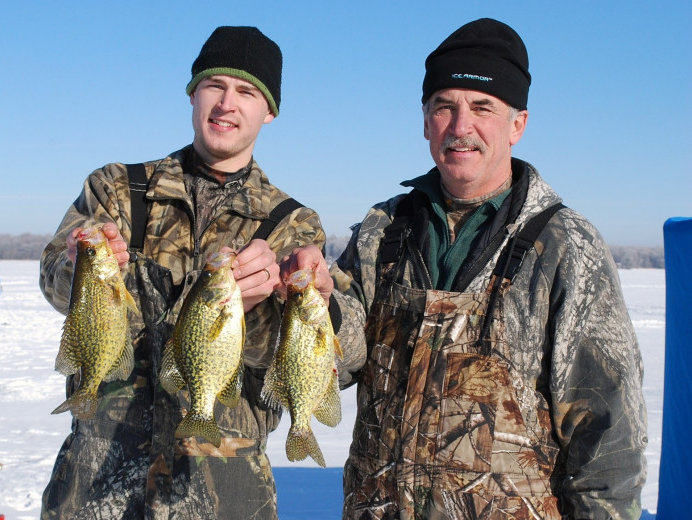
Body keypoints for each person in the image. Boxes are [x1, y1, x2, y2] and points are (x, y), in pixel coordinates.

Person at [320, 18, 647, 520]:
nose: (460, 126)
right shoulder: (383, 229)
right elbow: (336, 365)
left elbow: (608, 434)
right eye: (444, 106)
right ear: (425, 121)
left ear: (517, 124)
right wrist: (315, 306)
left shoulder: (565, 245)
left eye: (481, 108)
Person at [38, 26, 364, 520]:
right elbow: (53, 283)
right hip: (96, 479)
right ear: (193, 93)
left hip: (226, 488)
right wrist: (80, 260)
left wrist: (301, 299)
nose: (226, 104)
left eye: (247, 92)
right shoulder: (118, 189)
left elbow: (333, 357)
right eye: (215, 85)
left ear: (269, 111)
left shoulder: (293, 225)